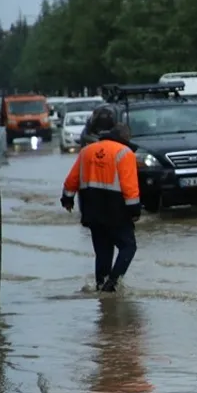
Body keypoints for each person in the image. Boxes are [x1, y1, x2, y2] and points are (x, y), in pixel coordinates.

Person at [61, 112, 140, 293]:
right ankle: (112, 284)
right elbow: (130, 186)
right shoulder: (125, 153)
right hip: (115, 210)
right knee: (128, 246)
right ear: (124, 137)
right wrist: (134, 210)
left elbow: (72, 179)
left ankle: (100, 286)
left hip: (91, 209)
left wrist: (67, 199)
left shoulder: (87, 150)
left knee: (103, 251)